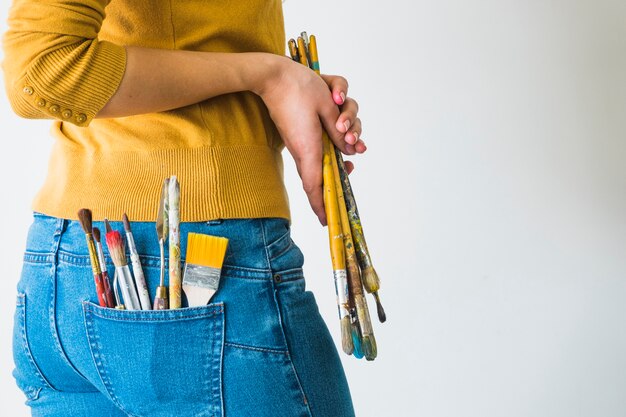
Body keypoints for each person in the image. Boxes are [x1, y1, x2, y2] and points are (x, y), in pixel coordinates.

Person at [3, 0, 366, 416]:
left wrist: (290, 88)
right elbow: (42, 70)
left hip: (63, 274)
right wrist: (268, 75)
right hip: (203, 258)